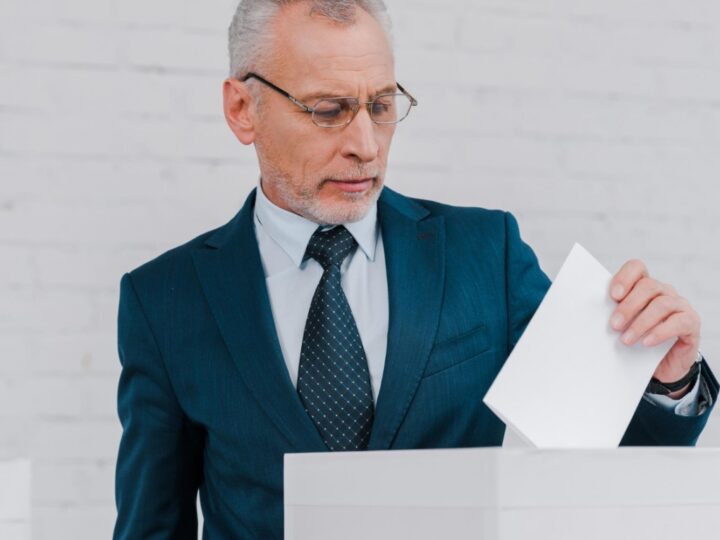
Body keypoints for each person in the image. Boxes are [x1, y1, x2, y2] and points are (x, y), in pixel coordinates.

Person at [113, 1, 718, 538]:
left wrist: (669, 382)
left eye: (381, 105)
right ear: (242, 109)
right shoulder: (165, 300)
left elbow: (610, 472)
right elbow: (151, 525)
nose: (367, 146)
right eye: (328, 110)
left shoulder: (485, 253)